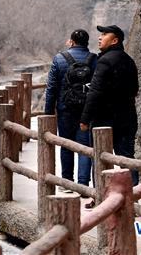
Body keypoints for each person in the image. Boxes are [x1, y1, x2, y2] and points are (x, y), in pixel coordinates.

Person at [80, 24, 140, 185]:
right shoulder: (129, 61)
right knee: (127, 159)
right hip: (127, 118)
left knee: (101, 159)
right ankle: (132, 197)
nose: (100, 37)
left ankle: (101, 197)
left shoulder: (105, 61)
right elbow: (135, 89)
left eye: (105, 34)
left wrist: (85, 119)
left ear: (114, 40)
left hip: (104, 120)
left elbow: (95, 92)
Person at [44, 29, 96, 187]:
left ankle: (67, 182)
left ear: (71, 41)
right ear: (87, 42)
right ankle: (83, 184)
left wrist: (48, 113)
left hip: (65, 109)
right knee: (84, 147)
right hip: (86, 111)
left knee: (66, 145)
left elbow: (51, 88)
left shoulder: (59, 59)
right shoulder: (95, 59)